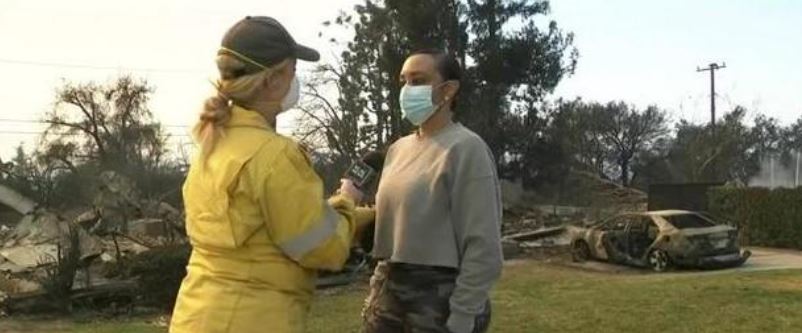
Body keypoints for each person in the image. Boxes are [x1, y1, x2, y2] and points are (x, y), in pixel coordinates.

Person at [169, 16, 370, 333]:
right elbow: (323, 248)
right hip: (254, 319)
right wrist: (347, 201)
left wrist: (357, 214)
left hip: (196, 316)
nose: (295, 81)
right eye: (293, 72)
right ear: (273, 80)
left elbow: (267, 227)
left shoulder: (213, 142)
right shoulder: (275, 155)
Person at [362, 49, 504, 333]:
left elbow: (483, 245)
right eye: (404, 81)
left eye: (418, 80)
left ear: (448, 89)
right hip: (389, 292)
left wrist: (463, 315)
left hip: (439, 300)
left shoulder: (466, 148)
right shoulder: (397, 150)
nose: (407, 90)